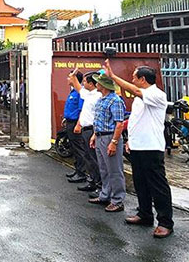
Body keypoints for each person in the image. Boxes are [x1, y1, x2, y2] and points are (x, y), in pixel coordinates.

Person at [104, 60, 173, 239]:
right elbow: (136, 121)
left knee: (157, 185)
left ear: (142, 79)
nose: (132, 79)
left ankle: (165, 222)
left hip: (151, 147)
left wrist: (112, 76)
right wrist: (130, 141)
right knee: (140, 183)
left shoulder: (156, 94)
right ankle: (144, 214)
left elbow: (134, 90)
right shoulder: (138, 99)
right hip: (138, 146)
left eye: (134, 76)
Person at [88, 72, 126, 213]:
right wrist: (94, 135)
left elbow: (119, 124)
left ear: (103, 85)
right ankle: (105, 195)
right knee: (104, 168)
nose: (95, 83)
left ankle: (117, 200)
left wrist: (114, 142)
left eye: (98, 82)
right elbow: (99, 120)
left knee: (115, 170)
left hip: (110, 137)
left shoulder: (115, 100)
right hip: (100, 136)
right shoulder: (101, 100)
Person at [67, 70, 102, 193]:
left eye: (85, 81)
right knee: (88, 157)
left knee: (93, 159)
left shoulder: (98, 96)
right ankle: (92, 181)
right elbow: (78, 88)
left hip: (92, 130)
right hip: (86, 129)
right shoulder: (89, 94)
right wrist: (73, 77)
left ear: (92, 84)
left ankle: (99, 185)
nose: (83, 83)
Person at [62, 70, 86, 183]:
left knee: (79, 149)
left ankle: (81, 173)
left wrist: (78, 124)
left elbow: (82, 110)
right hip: (70, 122)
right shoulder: (73, 92)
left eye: (69, 77)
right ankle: (77, 170)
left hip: (76, 123)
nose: (67, 79)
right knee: (74, 148)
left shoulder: (80, 93)